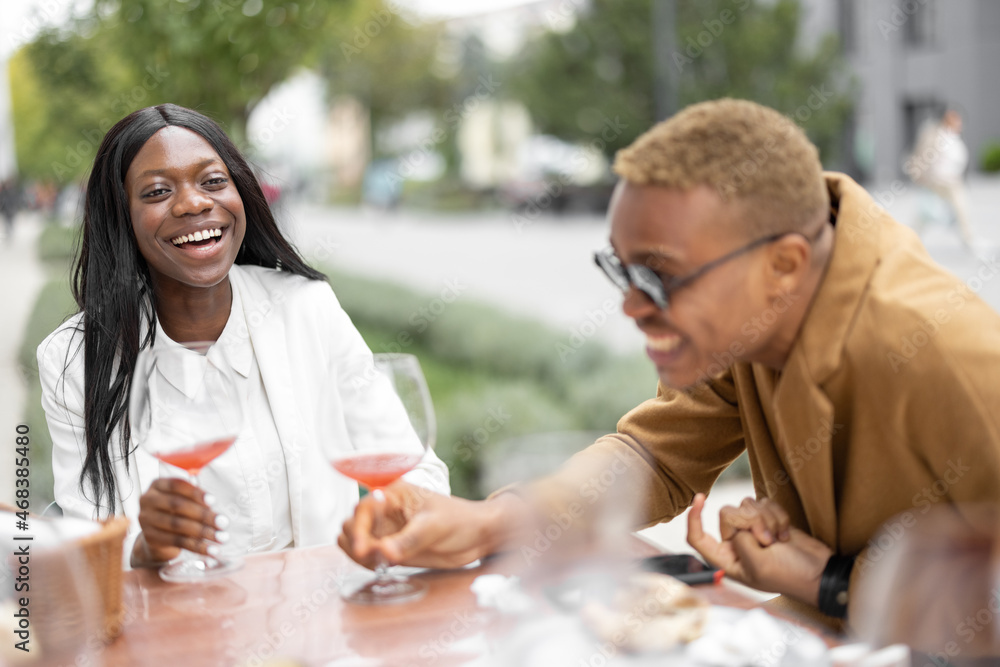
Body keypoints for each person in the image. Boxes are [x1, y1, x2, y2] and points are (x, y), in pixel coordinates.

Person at [339, 98, 1000, 626]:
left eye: (659, 277)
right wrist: (489, 521)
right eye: (621, 271)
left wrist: (830, 583)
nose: (630, 306)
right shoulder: (755, 320)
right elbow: (654, 455)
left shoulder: (949, 354)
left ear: (784, 265)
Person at [38, 104, 449, 568]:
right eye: (156, 191)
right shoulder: (74, 359)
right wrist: (147, 548)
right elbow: (87, 549)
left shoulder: (304, 307)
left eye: (213, 181)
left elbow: (417, 471)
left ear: (242, 194)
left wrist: (387, 523)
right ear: (121, 218)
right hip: (176, 630)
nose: (193, 203)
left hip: (318, 618)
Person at [906, 108, 975, 249]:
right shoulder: (935, 135)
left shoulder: (956, 138)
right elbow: (922, 153)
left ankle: (968, 239)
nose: (959, 123)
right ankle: (910, 238)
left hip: (952, 182)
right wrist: (920, 175)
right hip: (935, 181)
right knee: (924, 213)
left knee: (961, 208)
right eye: (955, 120)